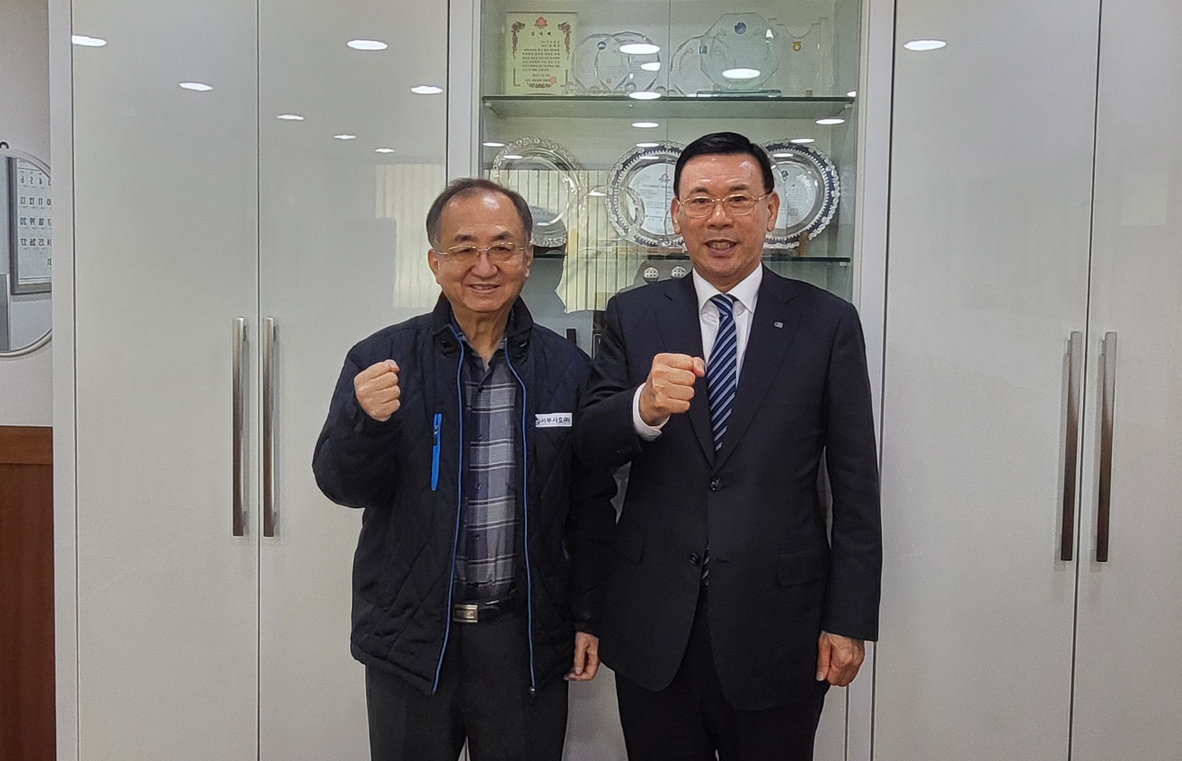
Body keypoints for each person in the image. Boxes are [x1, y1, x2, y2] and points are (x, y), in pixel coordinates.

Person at [575, 132, 882, 761]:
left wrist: (849, 618)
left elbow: (856, 483)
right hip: (655, 622)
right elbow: (588, 445)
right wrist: (642, 407)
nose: (719, 218)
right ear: (675, 214)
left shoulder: (826, 322)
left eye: (738, 199)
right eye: (700, 200)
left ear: (770, 210)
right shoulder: (633, 314)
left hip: (781, 626)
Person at [313, 178, 616, 761]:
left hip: (523, 639)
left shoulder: (568, 369)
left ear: (527, 258)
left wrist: (588, 615)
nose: (484, 266)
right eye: (464, 248)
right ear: (435, 262)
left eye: (502, 247)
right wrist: (365, 423)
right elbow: (341, 486)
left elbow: (589, 506)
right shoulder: (382, 360)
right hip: (412, 639)